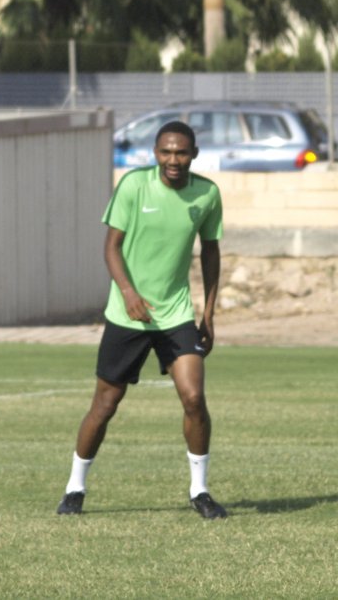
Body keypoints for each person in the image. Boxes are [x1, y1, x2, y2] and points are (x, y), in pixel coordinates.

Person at [56, 120, 225, 519]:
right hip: (127, 316)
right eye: (165, 152)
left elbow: (212, 252)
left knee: (194, 398)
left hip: (176, 313)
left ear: (194, 155)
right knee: (106, 404)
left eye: (181, 152)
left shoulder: (207, 195)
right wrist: (129, 293)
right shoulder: (133, 186)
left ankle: (199, 491)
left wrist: (209, 313)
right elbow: (111, 248)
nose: (173, 159)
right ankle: (74, 488)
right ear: (155, 153)